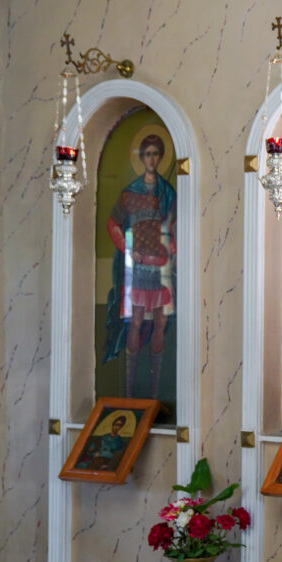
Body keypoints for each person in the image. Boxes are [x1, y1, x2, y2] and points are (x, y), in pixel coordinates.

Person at [104, 134, 176, 399]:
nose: (152, 159)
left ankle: (155, 396)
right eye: (147, 154)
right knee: (134, 321)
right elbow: (113, 224)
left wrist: (173, 247)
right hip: (137, 268)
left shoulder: (167, 192)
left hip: (161, 267)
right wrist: (127, 249)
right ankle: (130, 395)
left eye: (157, 154)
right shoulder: (130, 192)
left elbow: (175, 225)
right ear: (141, 157)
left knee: (160, 323)